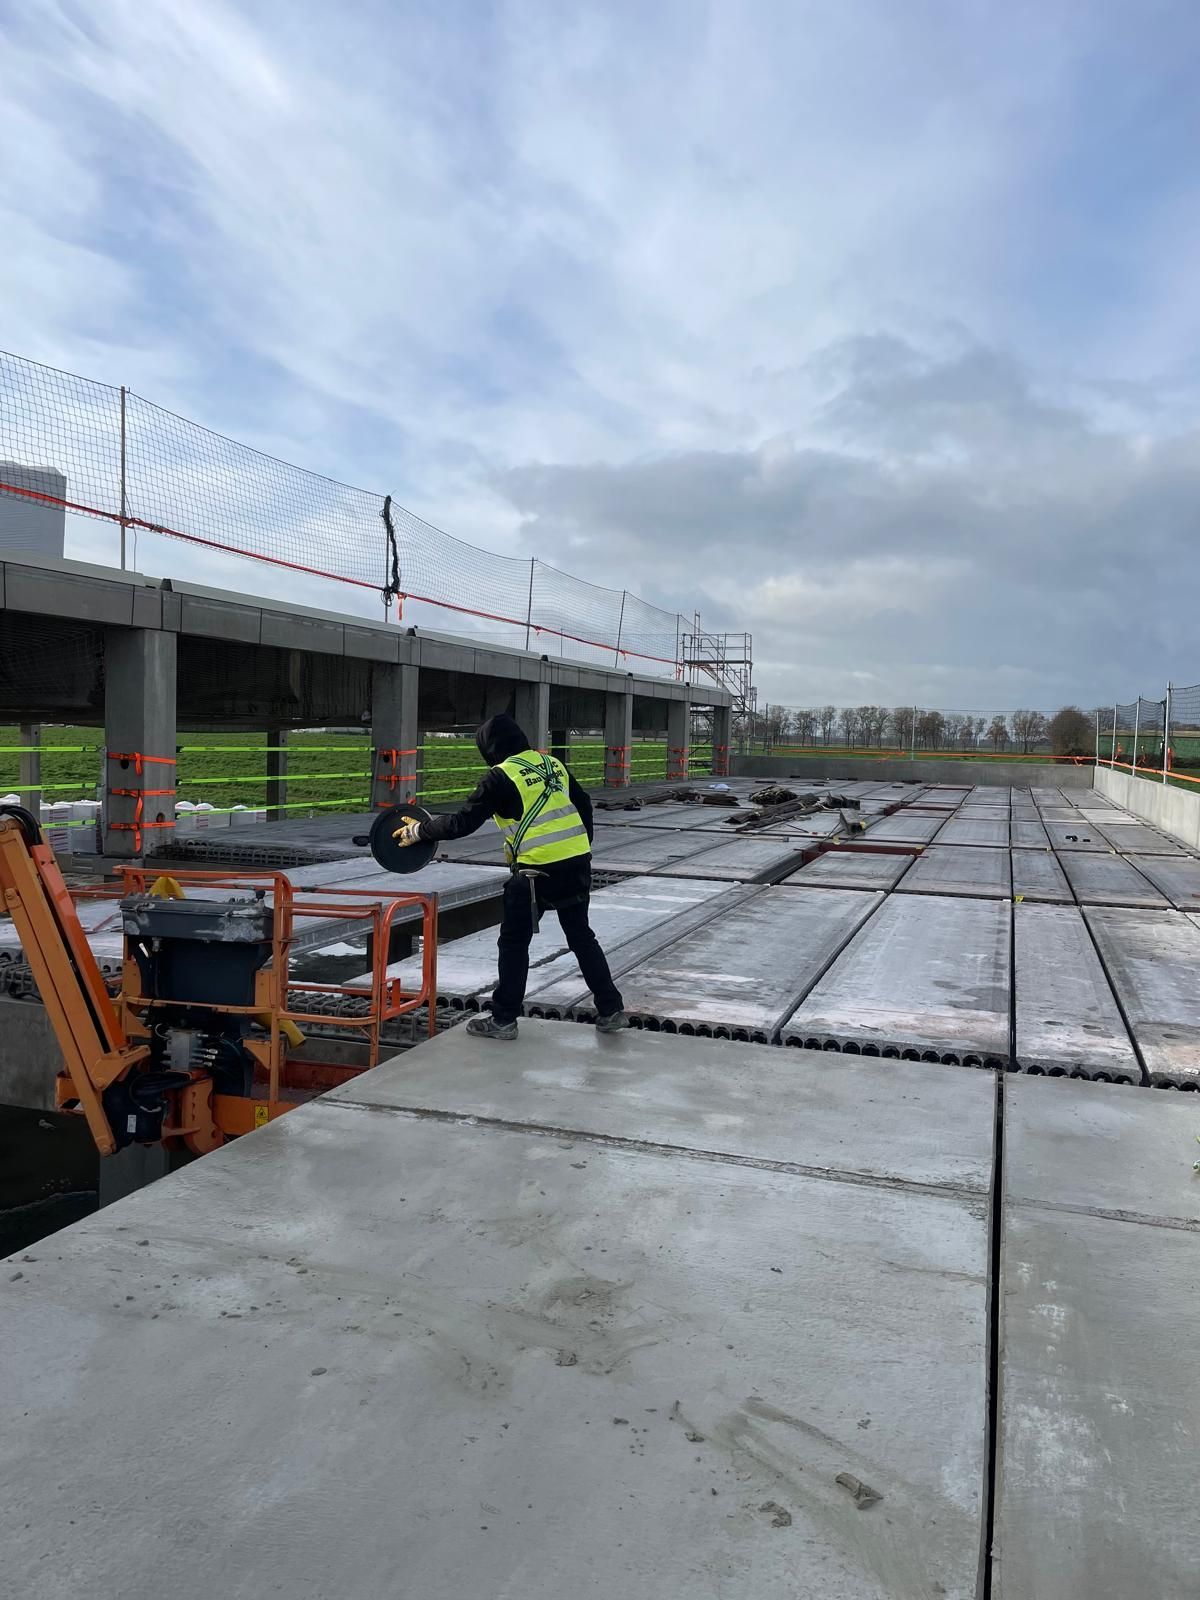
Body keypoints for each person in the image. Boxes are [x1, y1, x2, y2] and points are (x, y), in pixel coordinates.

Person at [393, 714, 627, 1039]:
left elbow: (463, 823)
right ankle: (611, 1009)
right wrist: (580, 844)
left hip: (535, 871)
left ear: (489, 749)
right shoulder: (552, 765)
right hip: (576, 863)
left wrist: (420, 831)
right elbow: (583, 803)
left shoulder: (499, 777)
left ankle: (503, 1020)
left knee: (515, 942)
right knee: (581, 937)